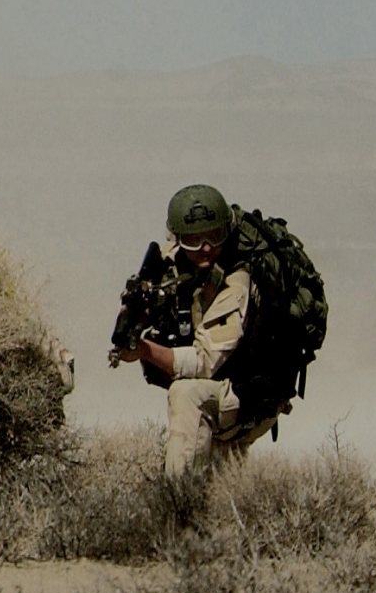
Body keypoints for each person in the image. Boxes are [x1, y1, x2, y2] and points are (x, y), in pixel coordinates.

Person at [112, 184, 275, 482]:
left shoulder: (238, 279)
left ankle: (177, 504)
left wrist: (145, 350)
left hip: (252, 395)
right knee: (224, 492)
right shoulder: (171, 263)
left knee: (186, 393)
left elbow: (204, 362)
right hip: (225, 388)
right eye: (194, 239)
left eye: (214, 236)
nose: (205, 247)